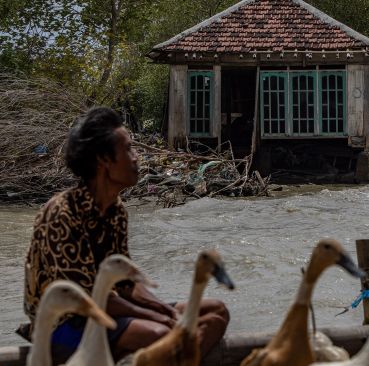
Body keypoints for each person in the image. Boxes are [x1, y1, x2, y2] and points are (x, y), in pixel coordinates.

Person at [21, 107, 229, 361]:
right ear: (104, 161)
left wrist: (164, 309)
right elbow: (86, 299)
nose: (136, 157)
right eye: (129, 149)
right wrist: (161, 317)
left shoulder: (116, 211)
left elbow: (126, 284)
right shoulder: (62, 213)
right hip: (65, 324)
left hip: (112, 311)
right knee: (160, 332)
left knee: (216, 312)